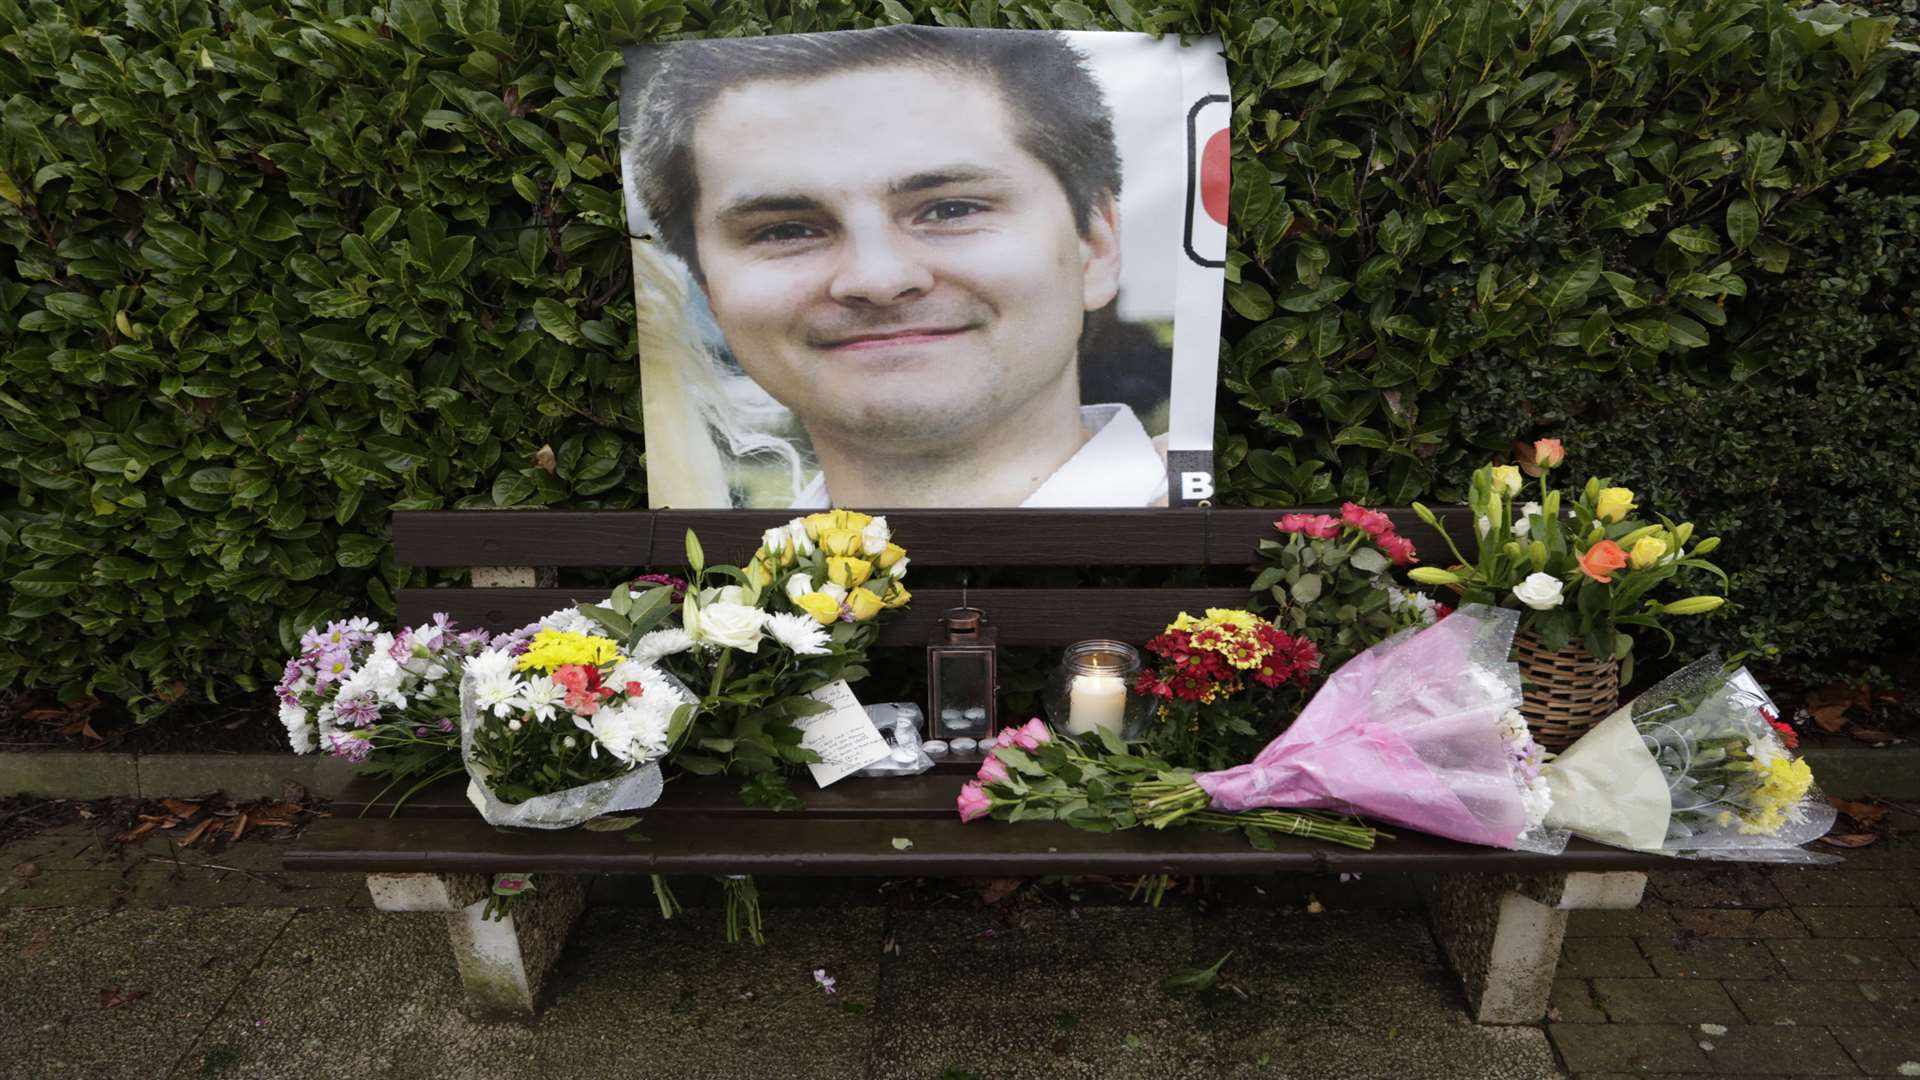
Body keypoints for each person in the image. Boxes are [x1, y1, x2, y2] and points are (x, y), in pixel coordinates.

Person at [622, 26, 1169, 508]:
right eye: (786, 230)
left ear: (1095, 242)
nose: (878, 279)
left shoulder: (1243, 549)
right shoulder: (674, 603)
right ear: (707, 287)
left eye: (951, 209)